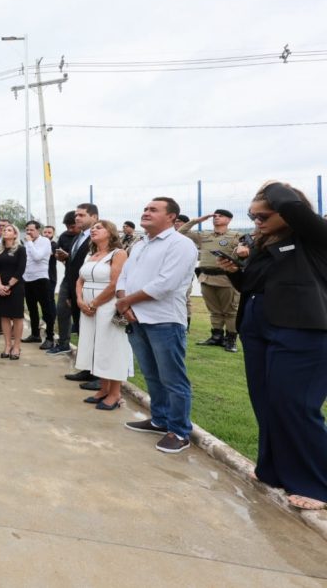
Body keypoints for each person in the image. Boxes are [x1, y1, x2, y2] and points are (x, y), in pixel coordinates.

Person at [220, 182, 327, 511]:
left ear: (288, 210)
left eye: (263, 214)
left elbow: (293, 207)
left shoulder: (313, 237)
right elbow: (255, 285)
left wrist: (273, 187)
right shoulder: (266, 243)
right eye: (253, 215)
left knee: (295, 405)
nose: (256, 220)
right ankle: (274, 469)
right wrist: (236, 274)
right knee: (267, 402)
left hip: (302, 330)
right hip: (258, 328)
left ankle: (318, 484)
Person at [117, 197, 199, 454]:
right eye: (145, 209)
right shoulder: (141, 244)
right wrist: (125, 304)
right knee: (152, 374)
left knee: (173, 378)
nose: (146, 212)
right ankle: (159, 419)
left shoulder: (181, 244)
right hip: (136, 318)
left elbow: (166, 284)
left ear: (172, 217)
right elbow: (124, 276)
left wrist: (126, 302)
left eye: (153, 210)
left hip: (164, 321)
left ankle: (179, 430)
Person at [74, 220, 131, 410]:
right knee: (96, 346)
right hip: (88, 306)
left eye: (99, 227)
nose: (93, 230)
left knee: (111, 347)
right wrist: (80, 300)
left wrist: (95, 303)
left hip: (107, 305)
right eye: (93, 228)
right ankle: (103, 388)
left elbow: (115, 283)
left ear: (110, 232)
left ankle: (115, 393)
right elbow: (80, 280)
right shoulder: (92, 255)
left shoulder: (118, 253)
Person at [179, 210, 242, 352]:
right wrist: (197, 220)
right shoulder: (204, 235)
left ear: (229, 220)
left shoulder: (236, 236)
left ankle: (231, 340)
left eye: (221, 216)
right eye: (215, 216)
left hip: (227, 278)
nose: (216, 218)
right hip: (206, 277)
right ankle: (216, 337)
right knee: (214, 310)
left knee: (230, 311)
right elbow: (180, 232)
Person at [52, 204, 98, 357]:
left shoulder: (98, 237)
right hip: (73, 282)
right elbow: (75, 261)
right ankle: (86, 366)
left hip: (91, 287)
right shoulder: (78, 237)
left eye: (82, 215)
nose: (77, 218)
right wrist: (66, 258)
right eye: (76, 215)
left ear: (94, 217)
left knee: (92, 329)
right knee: (79, 324)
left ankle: (95, 373)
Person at [0, 224, 27, 359]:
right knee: (4, 317)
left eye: (9, 230)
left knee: (17, 317)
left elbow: (21, 270)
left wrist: (8, 286)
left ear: (15, 234)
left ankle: (17, 346)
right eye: (4, 230)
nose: (5, 231)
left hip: (16, 287)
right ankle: (7, 345)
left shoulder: (20, 249)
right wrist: (0, 286)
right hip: (1, 287)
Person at [22, 221, 54, 346]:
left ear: (38, 230)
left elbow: (37, 257)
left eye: (31, 230)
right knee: (32, 309)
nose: (29, 232)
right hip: (28, 279)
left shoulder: (45, 241)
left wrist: (29, 242)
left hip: (41, 279)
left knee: (46, 310)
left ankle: (50, 338)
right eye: (27, 230)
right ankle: (35, 334)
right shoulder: (27, 243)